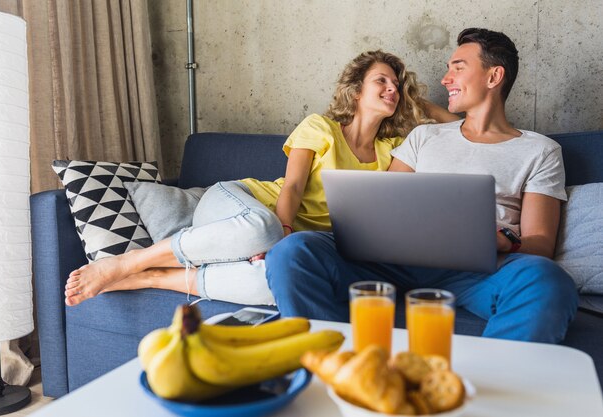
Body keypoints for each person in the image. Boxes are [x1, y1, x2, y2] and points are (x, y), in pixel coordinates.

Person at [64, 50, 454, 307]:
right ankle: (130, 262)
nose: (391, 89)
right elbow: (294, 187)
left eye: (396, 86)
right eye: (381, 81)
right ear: (356, 91)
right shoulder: (320, 127)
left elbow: (459, 127)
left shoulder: (393, 152)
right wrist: (282, 234)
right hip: (241, 205)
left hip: (280, 241)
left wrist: (413, 98)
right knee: (262, 227)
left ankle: (152, 279)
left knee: (277, 285)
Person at [265, 28, 579, 343]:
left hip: (478, 272)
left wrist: (502, 241)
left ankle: (497, 379)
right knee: (293, 252)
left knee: (547, 281)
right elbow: (380, 206)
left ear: (494, 76)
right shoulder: (424, 137)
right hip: (390, 262)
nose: (445, 78)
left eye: (457, 67)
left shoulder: (539, 150)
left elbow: (540, 244)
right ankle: (334, 360)